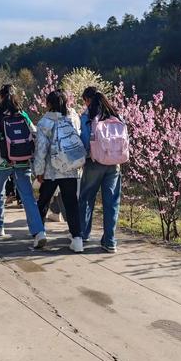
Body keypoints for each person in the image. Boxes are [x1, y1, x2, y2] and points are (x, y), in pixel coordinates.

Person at [0, 84, 47, 248]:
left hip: (3, 162)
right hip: (22, 159)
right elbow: (34, 133)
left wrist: (1, 160)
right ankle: (38, 232)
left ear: (1, 97)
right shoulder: (22, 113)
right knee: (28, 197)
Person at [33, 89, 85, 253]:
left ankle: (40, 233)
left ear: (48, 104)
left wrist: (39, 171)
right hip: (70, 169)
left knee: (43, 202)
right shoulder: (73, 118)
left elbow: (41, 149)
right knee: (71, 203)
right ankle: (77, 239)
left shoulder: (44, 122)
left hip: (51, 170)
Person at [79, 86, 123, 253]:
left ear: (88, 100)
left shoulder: (87, 117)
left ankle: (83, 234)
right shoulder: (116, 115)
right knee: (112, 202)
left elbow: (84, 141)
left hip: (94, 162)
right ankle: (110, 241)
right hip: (114, 164)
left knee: (86, 198)